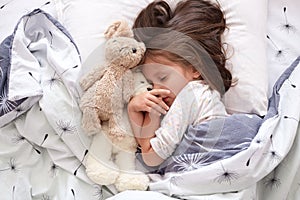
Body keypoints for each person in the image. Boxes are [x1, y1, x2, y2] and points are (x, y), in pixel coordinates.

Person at [127, 0, 232, 168]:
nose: (156, 89)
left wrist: (134, 111)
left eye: (163, 77)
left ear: (195, 68)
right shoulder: (207, 93)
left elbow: (151, 158)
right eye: (150, 83)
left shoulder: (190, 95)